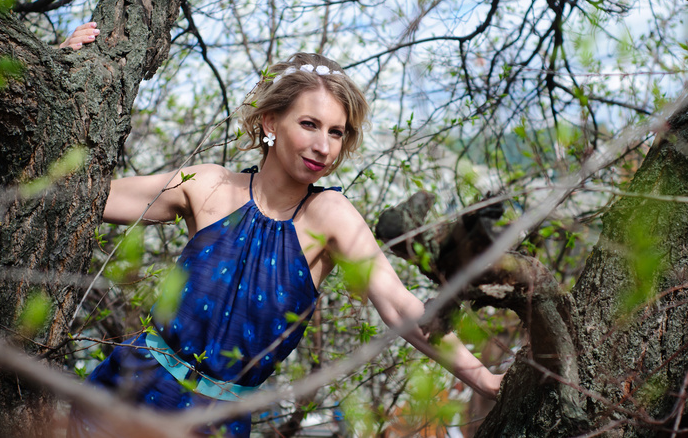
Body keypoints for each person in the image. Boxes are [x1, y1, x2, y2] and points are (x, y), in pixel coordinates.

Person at [64, 24, 503, 437]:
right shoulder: (210, 185)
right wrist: (62, 72)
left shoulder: (330, 215)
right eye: (309, 124)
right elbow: (81, 195)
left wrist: (484, 379)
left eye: (336, 132)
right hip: (121, 399)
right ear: (271, 122)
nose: (323, 146)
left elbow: (400, 305)